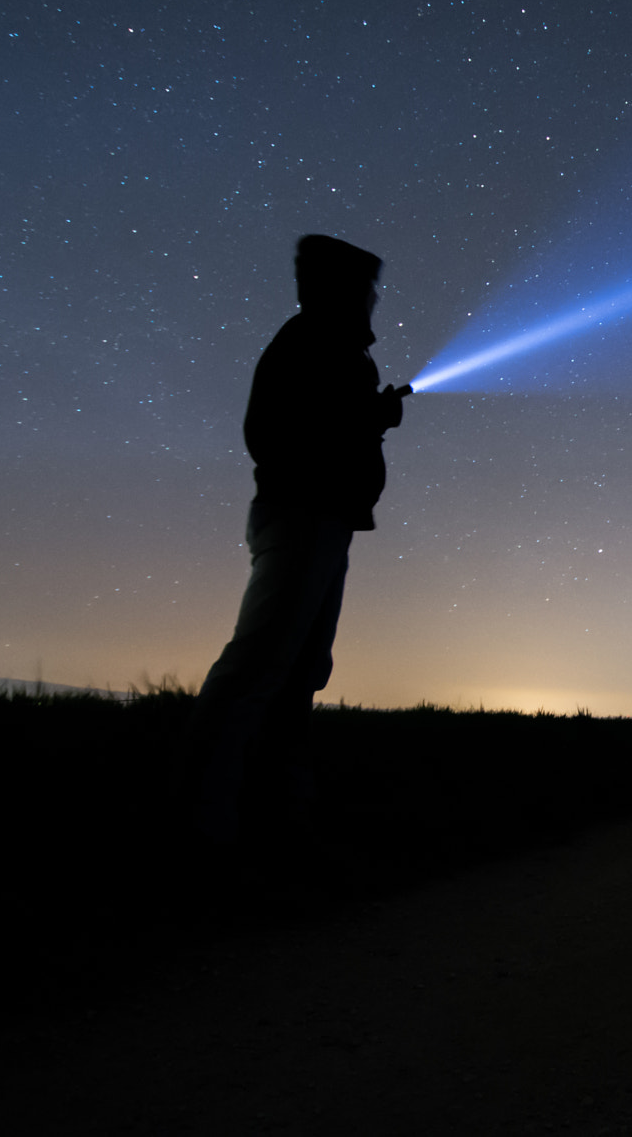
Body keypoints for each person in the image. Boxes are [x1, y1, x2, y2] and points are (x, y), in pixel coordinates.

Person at [184, 234, 409, 854]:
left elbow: (320, 424)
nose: (374, 301)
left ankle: (275, 820)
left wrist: (369, 417)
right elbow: (279, 433)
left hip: (322, 522)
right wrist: (371, 419)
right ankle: (202, 827)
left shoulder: (329, 347)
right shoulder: (313, 342)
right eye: (367, 289)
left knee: (296, 674)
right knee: (259, 666)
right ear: (344, 290)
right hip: (303, 517)